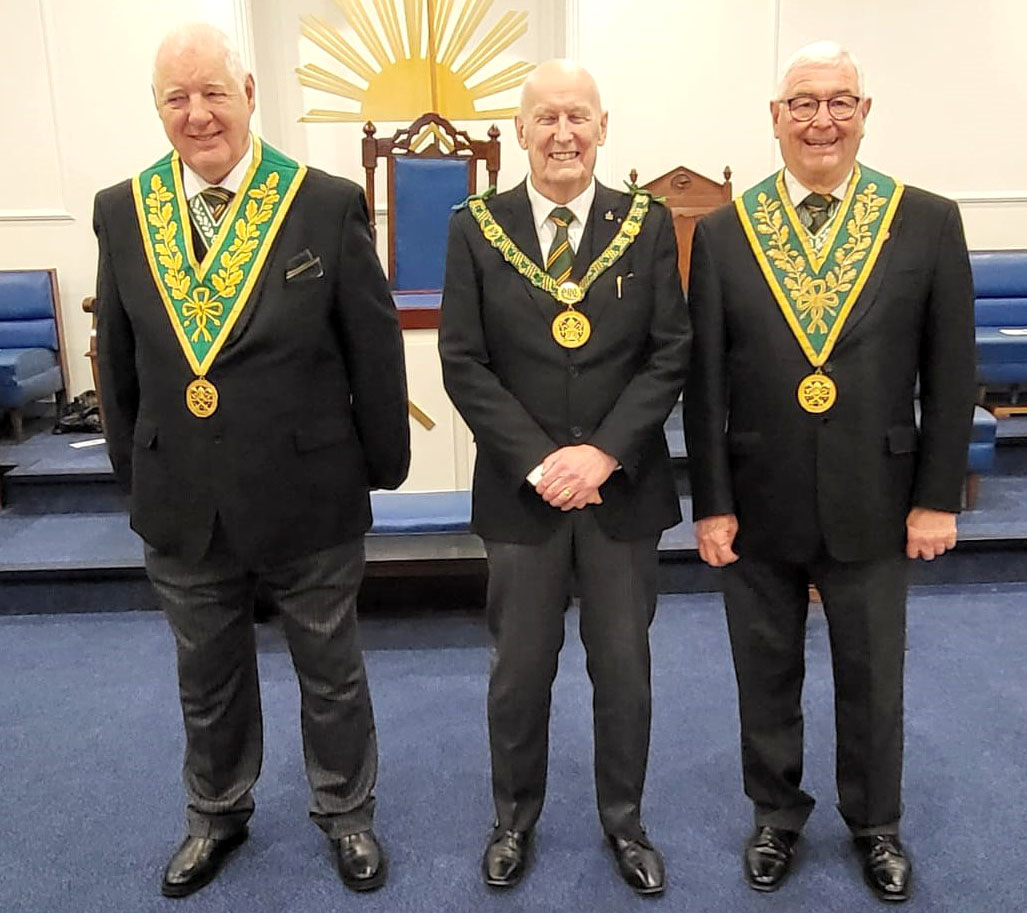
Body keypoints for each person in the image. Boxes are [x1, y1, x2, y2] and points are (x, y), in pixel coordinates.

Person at [94, 22, 409, 898]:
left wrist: (380, 466)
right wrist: (136, 473)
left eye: (213, 93)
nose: (197, 115)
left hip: (308, 487)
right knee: (206, 677)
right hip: (181, 492)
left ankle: (346, 814)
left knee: (331, 671)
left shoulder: (323, 202)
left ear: (250, 96)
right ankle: (216, 811)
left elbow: (372, 352)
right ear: (157, 107)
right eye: (176, 98)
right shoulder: (122, 210)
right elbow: (114, 364)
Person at [685, 40, 975, 903]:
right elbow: (703, 381)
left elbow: (950, 372)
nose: (822, 119)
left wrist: (934, 498)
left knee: (873, 675)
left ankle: (874, 822)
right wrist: (710, 503)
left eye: (839, 101)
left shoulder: (923, 218)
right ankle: (774, 814)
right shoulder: (727, 231)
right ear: (774, 118)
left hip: (877, 496)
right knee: (763, 670)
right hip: (758, 493)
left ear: (864, 112)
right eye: (803, 102)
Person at [439, 59, 689, 896]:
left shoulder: (646, 223)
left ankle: (625, 822)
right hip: (523, 498)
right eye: (544, 118)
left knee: (623, 672)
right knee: (518, 674)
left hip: (621, 493)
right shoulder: (475, 226)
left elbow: (668, 353)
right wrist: (543, 461)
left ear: (602, 125)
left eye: (577, 116)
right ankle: (513, 818)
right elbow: (463, 362)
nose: (562, 134)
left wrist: (603, 453)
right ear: (519, 131)